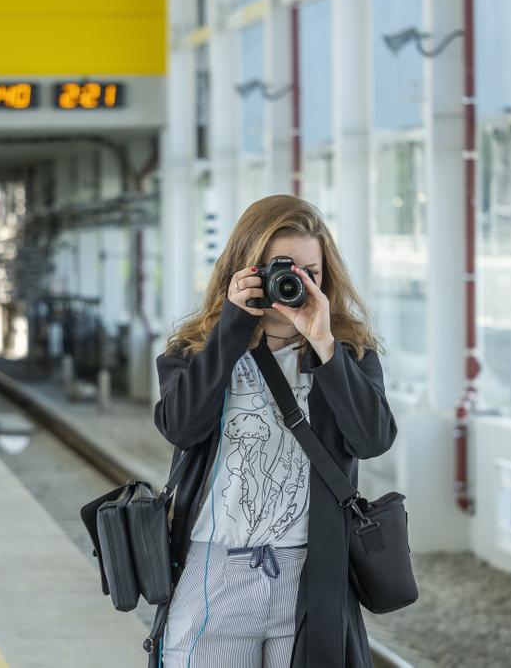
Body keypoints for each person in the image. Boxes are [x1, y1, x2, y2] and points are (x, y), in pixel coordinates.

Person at [151, 195, 398, 667]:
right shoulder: (193, 350)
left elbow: (373, 439)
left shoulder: (348, 352)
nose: (297, 283)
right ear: (244, 270)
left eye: (312, 272)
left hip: (309, 574)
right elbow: (181, 428)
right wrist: (231, 329)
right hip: (215, 571)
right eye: (282, 269)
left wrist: (325, 344)